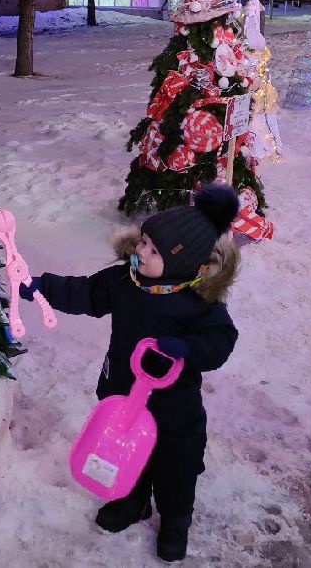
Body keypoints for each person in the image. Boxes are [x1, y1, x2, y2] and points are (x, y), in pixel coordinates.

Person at [22, 183, 240, 562]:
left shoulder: (197, 303)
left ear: (188, 265)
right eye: (143, 242)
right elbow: (86, 293)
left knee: (176, 466)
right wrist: (44, 288)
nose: (141, 251)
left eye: (154, 251)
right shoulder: (126, 281)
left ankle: (175, 519)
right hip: (123, 390)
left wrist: (187, 350)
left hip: (173, 406)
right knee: (121, 451)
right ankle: (132, 501)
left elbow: (221, 340)